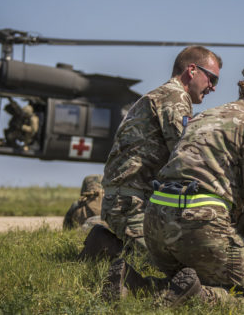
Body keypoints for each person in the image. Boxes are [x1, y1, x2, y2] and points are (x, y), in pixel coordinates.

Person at [114, 67, 244, 306]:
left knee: (183, 279)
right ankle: (198, 297)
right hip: (200, 222)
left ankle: (134, 284)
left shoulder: (202, 116)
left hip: (156, 221)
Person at [84, 46, 222, 258]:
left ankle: (108, 242)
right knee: (173, 263)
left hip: (134, 199)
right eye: (212, 79)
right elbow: (186, 155)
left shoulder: (166, 95)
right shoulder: (175, 98)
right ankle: (103, 246)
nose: (212, 87)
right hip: (131, 204)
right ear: (192, 70)